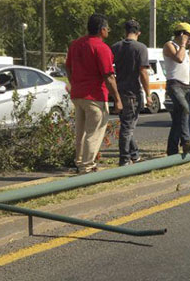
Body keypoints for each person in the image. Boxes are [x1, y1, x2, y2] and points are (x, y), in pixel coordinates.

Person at [65, 13, 122, 174]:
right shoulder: (102, 47)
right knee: (94, 131)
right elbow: (109, 76)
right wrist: (117, 99)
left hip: (77, 95)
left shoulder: (75, 45)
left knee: (81, 131)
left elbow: (67, 67)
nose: (108, 32)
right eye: (107, 29)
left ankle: (79, 162)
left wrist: (74, 82)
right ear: (102, 29)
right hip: (95, 96)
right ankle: (87, 166)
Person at [111, 19, 152, 165]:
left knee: (127, 124)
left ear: (125, 31)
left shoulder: (115, 47)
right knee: (127, 128)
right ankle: (124, 159)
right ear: (138, 33)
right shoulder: (140, 48)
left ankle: (134, 154)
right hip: (132, 92)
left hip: (118, 90)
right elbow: (143, 73)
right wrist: (148, 94)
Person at [164, 22, 190, 154]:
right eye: (189, 35)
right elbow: (178, 58)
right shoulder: (170, 45)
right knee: (185, 108)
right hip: (175, 84)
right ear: (182, 34)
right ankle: (185, 142)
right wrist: (183, 45)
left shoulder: (183, 48)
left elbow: (187, 62)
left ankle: (172, 149)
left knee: (179, 119)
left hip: (185, 86)